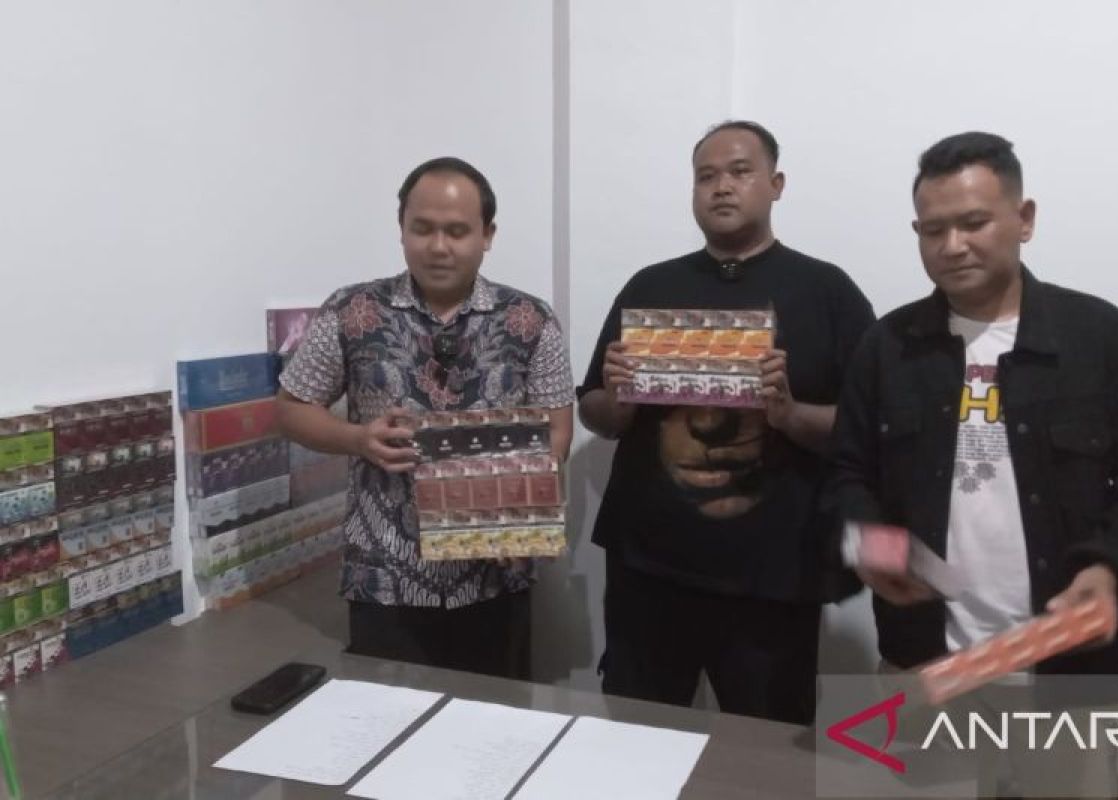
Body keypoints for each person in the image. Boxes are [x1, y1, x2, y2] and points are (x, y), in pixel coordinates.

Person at [832, 131, 1118, 790]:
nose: (952, 245)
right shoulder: (888, 346)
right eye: (933, 230)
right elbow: (848, 473)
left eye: (974, 223)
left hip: (1064, 668)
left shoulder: (1099, 336)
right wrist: (871, 545)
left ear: (1023, 219)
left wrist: (1109, 569)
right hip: (926, 663)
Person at [577, 121, 875, 724]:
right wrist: (621, 400)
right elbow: (593, 410)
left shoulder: (827, 291)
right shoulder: (651, 285)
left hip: (774, 575)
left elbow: (870, 428)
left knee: (767, 748)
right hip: (649, 568)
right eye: (705, 176)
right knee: (636, 737)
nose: (721, 187)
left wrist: (790, 415)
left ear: (776, 184)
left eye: (740, 172)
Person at [276, 156, 574, 680]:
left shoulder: (530, 319)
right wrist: (356, 438)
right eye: (423, 229)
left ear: (488, 235)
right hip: (385, 575)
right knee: (388, 722)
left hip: (494, 571)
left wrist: (518, 515)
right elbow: (292, 407)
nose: (439, 246)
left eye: (457, 231)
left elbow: (557, 429)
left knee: (494, 720)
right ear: (401, 229)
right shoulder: (351, 311)